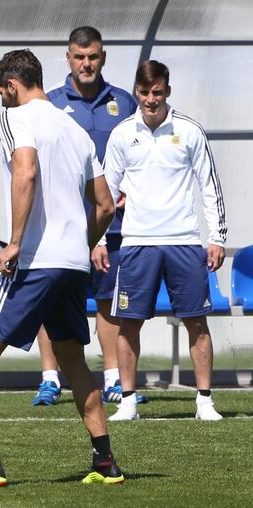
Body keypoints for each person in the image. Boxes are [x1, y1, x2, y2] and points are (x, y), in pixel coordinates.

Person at [0, 49, 122, 489]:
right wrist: (81, 246)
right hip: (72, 264)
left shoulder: (17, 118)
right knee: (73, 360)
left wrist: (17, 242)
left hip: (36, 261)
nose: (1, 100)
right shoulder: (76, 129)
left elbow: (26, 173)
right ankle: (105, 463)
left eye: (2, 92)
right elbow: (105, 206)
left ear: (13, 85)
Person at [104, 61, 227, 422]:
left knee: (197, 321)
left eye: (157, 92)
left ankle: (204, 401)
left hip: (185, 241)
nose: (151, 99)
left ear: (167, 91)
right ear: (137, 93)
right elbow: (106, 194)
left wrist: (217, 237)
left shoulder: (190, 131)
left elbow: (209, 186)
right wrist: (97, 240)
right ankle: (127, 401)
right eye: (144, 93)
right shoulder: (122, 133)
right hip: (137, 243)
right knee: (128, 323)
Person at [31, 26, 144, 406]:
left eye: (93, 56)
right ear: (68, 59)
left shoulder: (124, 103)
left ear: (103, 57)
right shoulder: (49, 103)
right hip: (61, 225)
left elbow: (137, 155)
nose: (86, 64)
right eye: (79, 57)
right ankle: (50, 379)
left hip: (110, 226)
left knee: (108, 302)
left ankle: (113, 378)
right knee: (51, 301)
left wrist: (129, 186)